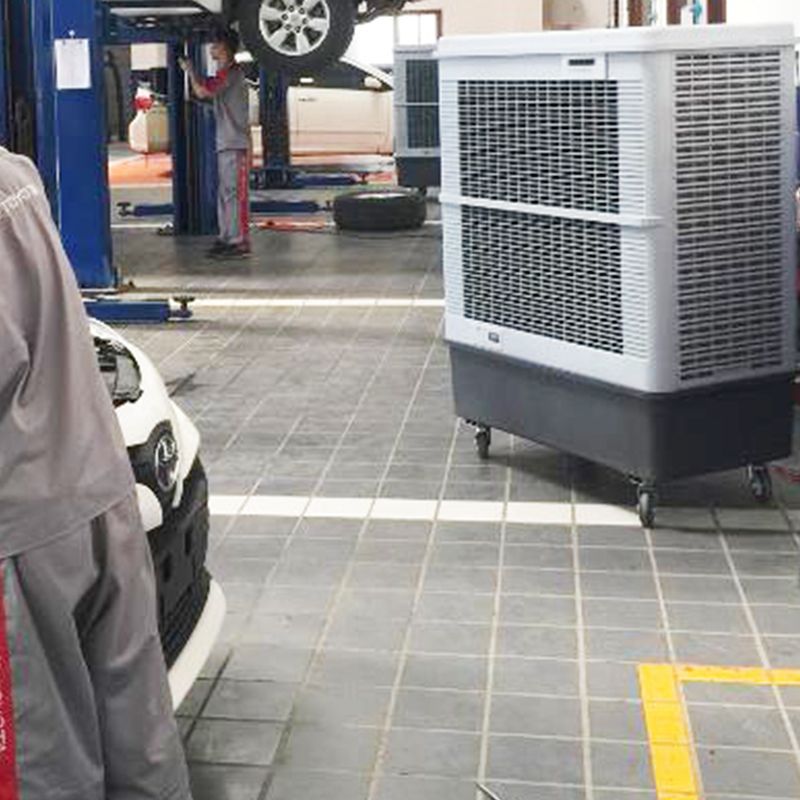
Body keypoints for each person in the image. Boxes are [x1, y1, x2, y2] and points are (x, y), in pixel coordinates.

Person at [0, 147, 192, 799]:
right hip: (95, 486)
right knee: (136, 734)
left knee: (40, 762)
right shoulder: (14, 173)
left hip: (22, 534)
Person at [180, 31, 252, 260]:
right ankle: (226, 237)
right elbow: (207, 95)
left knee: (235, 195)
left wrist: (190, 71)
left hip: (235, 144)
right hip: (227, 142)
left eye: (215, 44)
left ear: (225, 49)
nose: (211, 48)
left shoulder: (231, 73)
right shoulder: (224, 74)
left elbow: (203, 91)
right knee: (226, 193)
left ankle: (240, 242)